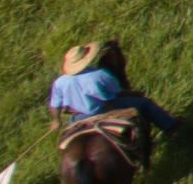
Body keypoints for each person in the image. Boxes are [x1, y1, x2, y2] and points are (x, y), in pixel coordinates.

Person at [47, 41, 180, 145]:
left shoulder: (59, 82)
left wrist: (56, 120)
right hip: (106, 109)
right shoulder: (99, 74)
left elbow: (55, 106)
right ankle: (171, 128)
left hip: (79, 117)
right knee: (146, 104)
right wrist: (135, 94)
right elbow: (117, 93)